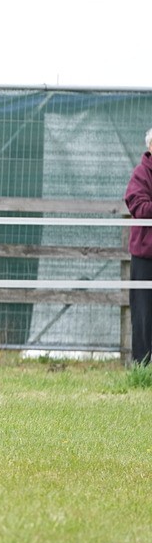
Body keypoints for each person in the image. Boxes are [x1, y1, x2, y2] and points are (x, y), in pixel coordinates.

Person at [124, 126, 152, 365]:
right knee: (144, 314)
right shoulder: (141, 174)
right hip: (146, 256)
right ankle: (143, 366)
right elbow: (140, 207)